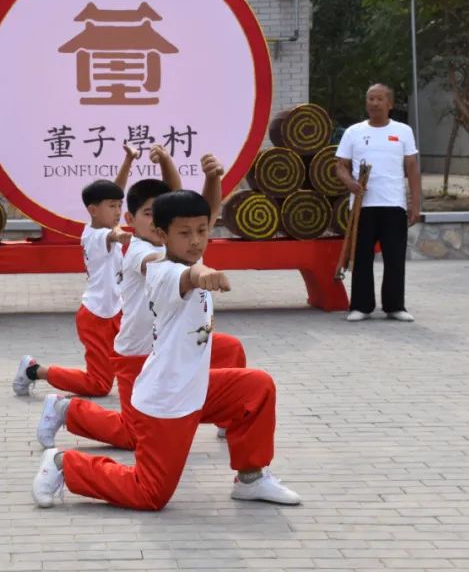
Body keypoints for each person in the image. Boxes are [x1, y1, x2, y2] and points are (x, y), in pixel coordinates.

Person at [30, 190, 300, 511]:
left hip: (195, 386)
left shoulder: (187, 251)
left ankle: (251, 478)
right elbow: (190, 276)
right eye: (185, 233)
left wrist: (213, 179)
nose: (196, 241)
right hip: (166, 400)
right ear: (162, 235)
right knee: (150, 494)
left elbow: (204, 216)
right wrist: (205, 274)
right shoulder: (163, 271)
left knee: (256, 386)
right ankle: (63, 463)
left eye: (202, 231)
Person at [34, 153, 247, 451]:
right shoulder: (139, 250)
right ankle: (66, 410)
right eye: (149, 213)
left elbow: (207, 212)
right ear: (131, 220)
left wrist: (211, 178)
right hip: (139, 355)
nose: (158, 219)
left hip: (174, 348)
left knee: (230, 349)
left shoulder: (183, 237)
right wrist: (199, 274)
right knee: (135, 438)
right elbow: (161, 267)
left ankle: (229, 417)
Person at [11, 144, 140, 398]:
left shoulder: (101, 221)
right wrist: (121, 235)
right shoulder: (95, 236)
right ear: (93, 210)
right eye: (112, 206)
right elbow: (111, 234)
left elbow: (117, 189)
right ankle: (34, 370)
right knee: (99, 386)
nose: (118, 212)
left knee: (135, 359)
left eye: (119, 205)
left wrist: (128, 160)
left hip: (115, 313)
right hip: (96, 319)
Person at [335, 83, 421, 322]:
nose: (374, 103)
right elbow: (340, 166)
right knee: (362, 256)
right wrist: (351, 183)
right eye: (370, 98)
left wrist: (415, 203)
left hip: (393, 204)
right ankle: (361, 306)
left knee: (394, 256)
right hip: (363, 206)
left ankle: (395, 306)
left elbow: (412, 167)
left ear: (390, 104)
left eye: (379, 99)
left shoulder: (403, 131)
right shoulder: (353, 132)